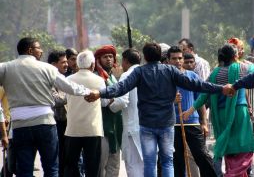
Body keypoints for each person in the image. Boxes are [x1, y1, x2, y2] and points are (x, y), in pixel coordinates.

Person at [85, 42, 232, 177]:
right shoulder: (170, 71)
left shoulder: (139, 72)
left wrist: (100, 93)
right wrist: (221, 89)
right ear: (161, 56)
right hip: (167, 124)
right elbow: (196, 84)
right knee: (167, 160)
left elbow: (120, 88)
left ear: (145, 57)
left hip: (147, 124)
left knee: (150, 161)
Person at [0, 37, 91, 177]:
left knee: (24, 170)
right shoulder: (47, 68)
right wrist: (88, 92)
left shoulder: (5, 67)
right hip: (45, 124)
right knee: (51, 169)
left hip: (20, 126)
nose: (41, 51)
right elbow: (69, 87)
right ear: (30, 50)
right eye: (38, 47)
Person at [183, 44, 254, 177]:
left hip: (220, 117)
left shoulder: (215, 73)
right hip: (238, 114)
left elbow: (204, 94)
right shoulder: (242, 68)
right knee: (244, 149)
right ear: (235, 55)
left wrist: (190, 110)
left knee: (229, 150)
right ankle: (232, 174)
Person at [167, 46, 216, 177]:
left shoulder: (192, 76)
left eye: (180, 58)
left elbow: (200, 101)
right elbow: (158, 101)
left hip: (192, 123)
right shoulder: (165, 78)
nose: (178, 61)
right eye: (174, 58)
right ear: (168, 60)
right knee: (177, 160)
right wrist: (172, 100)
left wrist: (204, 122)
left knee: (201, 155)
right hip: (172, 124)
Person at [63, 50, 104, 177]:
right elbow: (105, 102)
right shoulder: (99, 80)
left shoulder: (68, 79)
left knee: (71, 166)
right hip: (93, 129)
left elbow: (64, 99)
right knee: (92, 166)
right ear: (93, 64)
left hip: (73, 129)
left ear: (77, 64)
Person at [110, 48, 143, 177]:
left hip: (132, 129)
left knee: (133, 166)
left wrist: (110, 105)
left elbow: (122, 101)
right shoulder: (147, 72)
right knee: (147, 166)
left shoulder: (127, 75)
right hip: (148, 127)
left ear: (125, 61)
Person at [94, 45, 123, 177]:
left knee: (114, 165)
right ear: (98, 60)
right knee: (101, 165)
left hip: (116, 127)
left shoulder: (113, 77)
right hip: (101, 129)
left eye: (111, 56)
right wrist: (116, 97)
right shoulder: (96, 77)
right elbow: (101, 101)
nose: (109, 59)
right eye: (105, 57)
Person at [48, 50, 68, 177]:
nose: (66, 64)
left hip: (67, 123)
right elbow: (56, 100)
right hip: (56, 124)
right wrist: (72, 93)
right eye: (63, 62)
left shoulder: (64, 78)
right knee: (58, 159)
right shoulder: (49, 80)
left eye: (66, 61)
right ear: (54, 65)